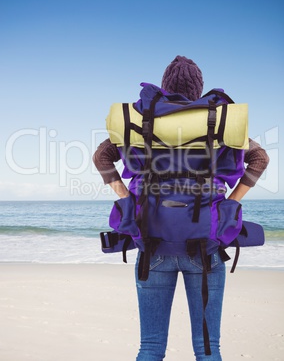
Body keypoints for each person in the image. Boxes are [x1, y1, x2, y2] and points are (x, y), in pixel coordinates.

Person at [93, 56, 269, 361]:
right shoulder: (218, 123)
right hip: (206, 248)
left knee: (150, 347)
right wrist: (231, 202)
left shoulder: (140, 122)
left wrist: (125, 198)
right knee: (207, 348)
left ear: (164, 86)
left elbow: (101, 156)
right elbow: (260, 158)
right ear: (198, 89)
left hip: (152, 248)